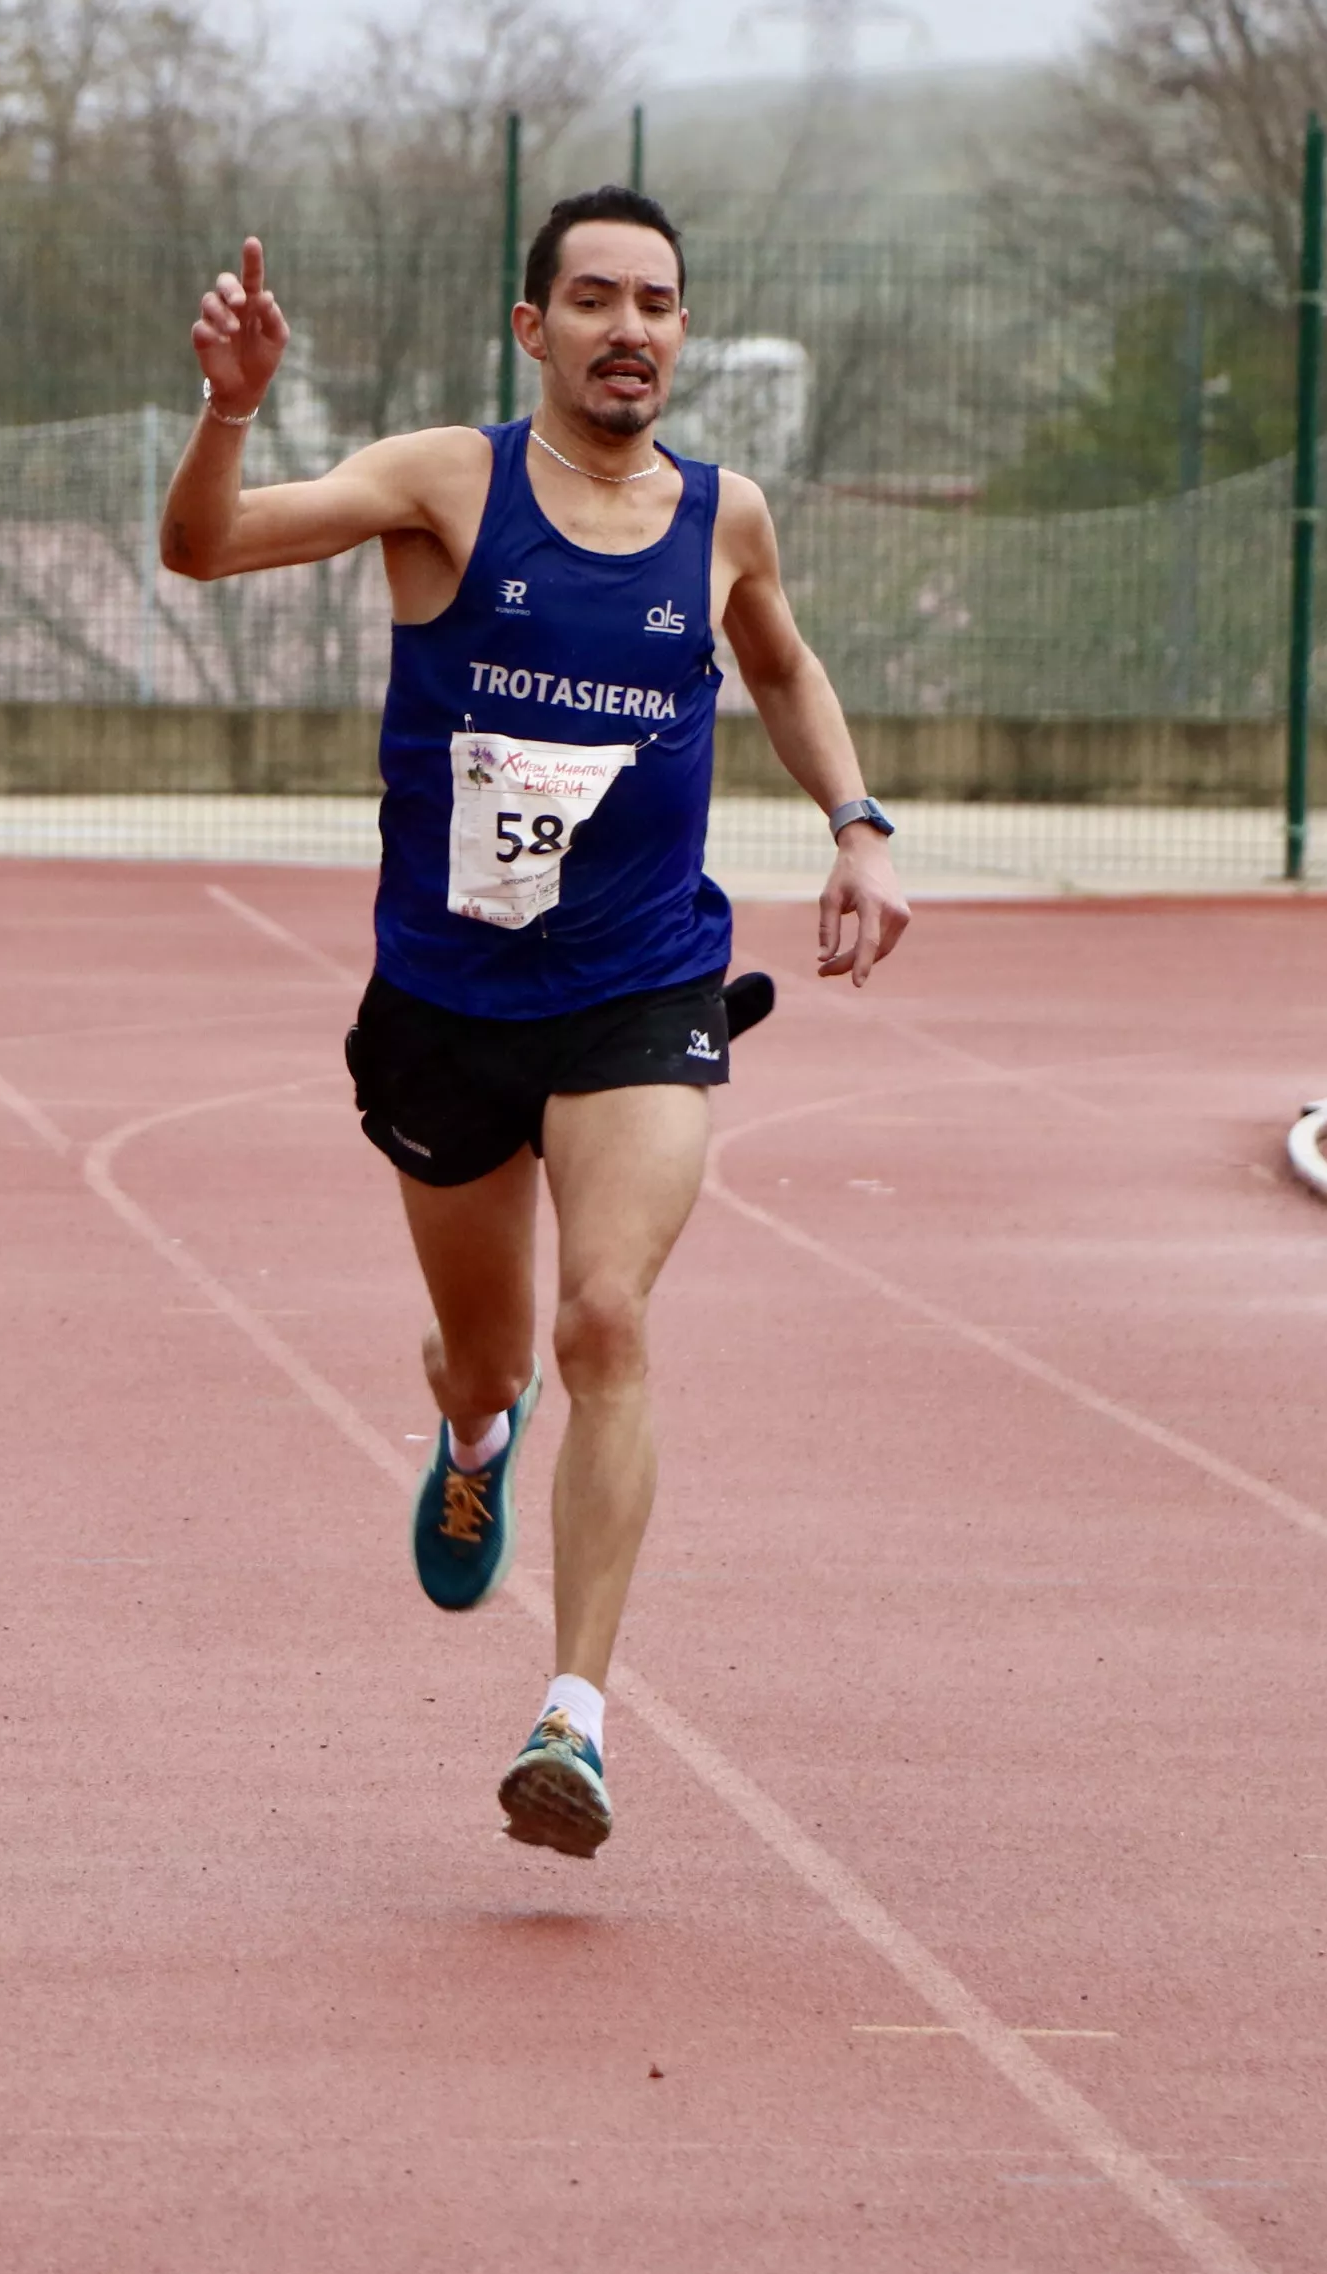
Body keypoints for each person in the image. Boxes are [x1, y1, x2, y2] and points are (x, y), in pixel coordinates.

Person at [157, 187, 913, 1860]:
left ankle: (571, 1718)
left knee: (606, 1322)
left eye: (656, 301)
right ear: (533, 329)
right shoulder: (449, 481)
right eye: (592, 299)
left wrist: (860, 826)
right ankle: (472, 1426)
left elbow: (780, 670)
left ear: (682, 332)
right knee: (500, 1350)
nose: (628, 328)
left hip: (640, 987)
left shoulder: (724, 520)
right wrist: (229, 409)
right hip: (447, 1001)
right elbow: (201, 549)